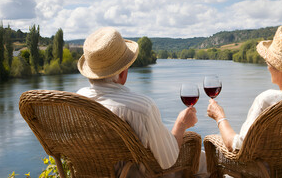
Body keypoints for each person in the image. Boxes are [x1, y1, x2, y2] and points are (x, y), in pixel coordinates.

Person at [76, 27, 198, 177]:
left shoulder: (78, 100)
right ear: (122, 72)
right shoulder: (142, 107)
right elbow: (168, 161)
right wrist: (181, 124)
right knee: (201, 161)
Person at [207, 25, 282, 151]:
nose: (267, 68)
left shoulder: (268, 100)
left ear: (280, 68)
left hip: (269, 170)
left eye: (268, 64)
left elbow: (238, 146)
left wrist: (219, 116)